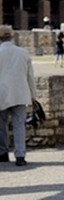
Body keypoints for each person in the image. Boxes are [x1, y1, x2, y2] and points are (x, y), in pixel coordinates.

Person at [0, 25, 36, 166]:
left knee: (1, 125)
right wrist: (33, 95)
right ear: (12, 37)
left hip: (2, 93)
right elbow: (30, 76)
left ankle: (3, 153)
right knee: (19, 125)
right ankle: (20, 155)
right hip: (20, 92)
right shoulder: (23, 52)